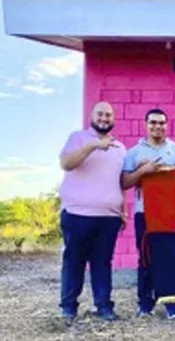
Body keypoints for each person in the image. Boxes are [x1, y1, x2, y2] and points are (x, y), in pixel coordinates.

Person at [57, 101, 127, 324]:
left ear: (113, 119)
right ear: (92, 116)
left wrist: (122, 210)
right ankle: (68, 308)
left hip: (109, 217)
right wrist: (93, 146)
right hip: (78, 214)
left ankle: (104, 307)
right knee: (74, 261)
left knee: (102, 263)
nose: (104, 118)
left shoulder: (120, 148)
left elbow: (118, 182)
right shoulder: (77, 138)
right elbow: (66, 164)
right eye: (100, 114)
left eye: (108, 115)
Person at [122, 108, 175, 320]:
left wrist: (157, 171)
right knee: (146, 259)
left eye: (161, 123)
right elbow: (125, 182)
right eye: (153, 123)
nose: (157, 127)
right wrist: (143, 171)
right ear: (145, 124)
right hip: (145, 213)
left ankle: (173, 307)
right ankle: (145, 304)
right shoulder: (134, 153)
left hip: (172, 213)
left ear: (167, 126)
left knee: (173, 259)